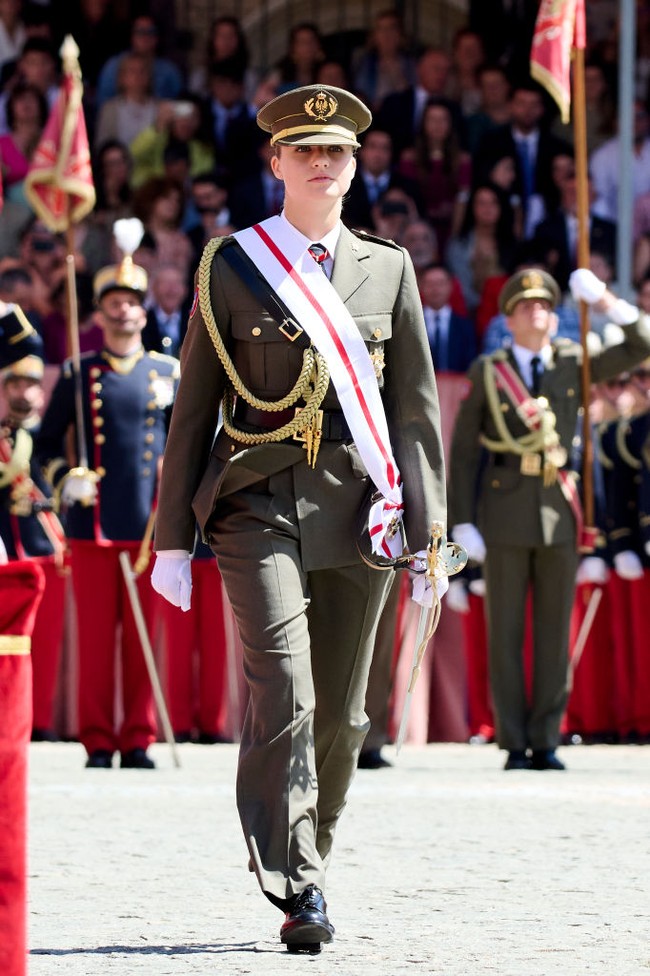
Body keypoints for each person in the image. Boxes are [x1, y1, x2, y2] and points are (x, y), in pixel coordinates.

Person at [150, 83, 447, 953]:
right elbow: (194, 408)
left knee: (346, 714)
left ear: (356, 168)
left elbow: (417, 415)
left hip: (362, 511)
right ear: (275, 162)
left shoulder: (387, 267)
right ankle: (297, 884)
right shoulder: (231, 264)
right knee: (284, 687)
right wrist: (173, 536)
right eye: (305, 151)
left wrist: (428, 534)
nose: (323, 164)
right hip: (254, 502)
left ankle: (307, 846)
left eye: (339, 153)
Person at [448, 266, 650, 771]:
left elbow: (641, 344)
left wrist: (604, 299)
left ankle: (547, 738)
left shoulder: (573, 362)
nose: (536, 312)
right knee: (507, 632)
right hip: (504, 512)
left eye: (544, 306)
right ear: (508, 322)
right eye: (524, 307)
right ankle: (514, 740)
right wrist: (462, 521)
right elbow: (466, 453)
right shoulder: (488, 370)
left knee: (555, 630)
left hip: (561, 513)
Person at [36, 228, 179, 770]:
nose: (124, 312)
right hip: (91, 524)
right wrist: (63, 477)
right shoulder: (78, 374)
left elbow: (188, 448)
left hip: (148, 526)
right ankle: (98, 738)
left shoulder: (168, 373)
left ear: (145, 314)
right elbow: (46, 446)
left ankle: (137, 737)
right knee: (95, 642)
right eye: (114, 303)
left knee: (144, 645)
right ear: (98, 313)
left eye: (132, 303)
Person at [0, 353, 67, 741]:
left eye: (29, 385)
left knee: (44, 643)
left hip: (45, 548)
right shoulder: (6, 437)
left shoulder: (48, 434)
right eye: (15, 385)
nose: (23, 392)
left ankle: (40, 720)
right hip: (10, 548)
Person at [419, 262, 477, 373]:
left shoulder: (465, 326)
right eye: (430, 283)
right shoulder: (411, 324)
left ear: (450, 286)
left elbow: (471, 365)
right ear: (421, 286)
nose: (435, 289)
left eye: (440, 283)